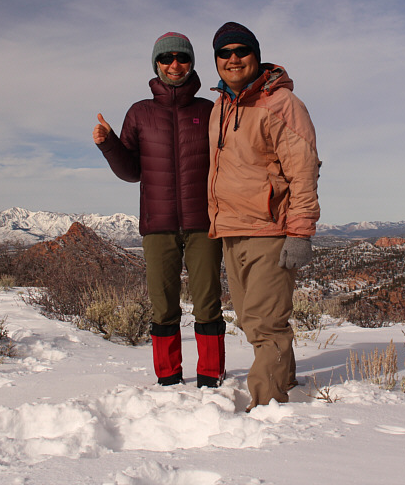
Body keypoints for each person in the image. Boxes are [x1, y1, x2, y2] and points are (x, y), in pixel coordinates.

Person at [93, 32, 226, 388]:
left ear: (191, 63)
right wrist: (109, 144)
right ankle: (168, 380)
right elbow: (131, 171)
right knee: (163, 307)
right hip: (158, 226)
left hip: (203, 224)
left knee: (207, 304)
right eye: (166, 58)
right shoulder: (140, 113)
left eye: (182, 58)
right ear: (156, 64)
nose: (174, 64)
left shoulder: (208, 111)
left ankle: (211, 378)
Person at [206, 22, 321, 410]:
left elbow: (303, 169)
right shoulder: (221, 106)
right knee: (250, 319)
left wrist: (299, 232)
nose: (233, 59)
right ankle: (285, 381)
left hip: (270, 229)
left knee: (265, 322)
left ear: (256, 55)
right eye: (224, 53)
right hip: (231, 229)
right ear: (216, 61)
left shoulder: (282, 103)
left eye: (241, 51)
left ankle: (266, 406)